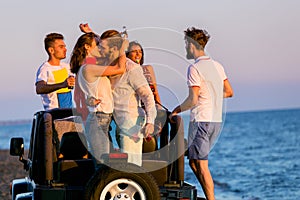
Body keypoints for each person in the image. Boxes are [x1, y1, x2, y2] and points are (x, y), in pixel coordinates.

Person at [169, 27, 233, 200]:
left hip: (201, 122)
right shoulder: (217, 66)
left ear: (191, 45)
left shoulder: (195, 68)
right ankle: (207, 196)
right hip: (215, 122)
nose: (185, 48)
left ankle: (211, 199)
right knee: (193, 161)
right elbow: (228, 92)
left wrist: (176, 111)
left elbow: (193, 100)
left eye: (186, 44)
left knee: (202, 165)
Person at [80, 24, 157, 166]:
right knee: (117, 166)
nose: (99, 50)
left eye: (102, 48)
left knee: (132, 166)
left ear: (115, 49)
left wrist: (150, 122)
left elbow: (147, 97)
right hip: (115, 121)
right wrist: (91, 32)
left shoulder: (132, 68)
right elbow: (108, 43)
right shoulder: (107, 63)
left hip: (131, 122)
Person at [70, 32, 127, 164]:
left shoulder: (92, 66)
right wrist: (122, 47)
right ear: (87, 47)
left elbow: (106, 46)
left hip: (102, 118)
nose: (101, 48)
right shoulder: (89, 68)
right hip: (98, 118)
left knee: (106, 164)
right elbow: (120, 68)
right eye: (98, 45)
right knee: (102, 164)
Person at [36, 33, 75, 110]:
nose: (65, 49)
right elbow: (39, 88)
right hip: (54, 114)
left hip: (69, 114)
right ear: (51, 50)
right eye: (61, 47)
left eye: (65, 47)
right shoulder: (45, 69)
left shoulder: (67, 66)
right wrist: (62, 85)